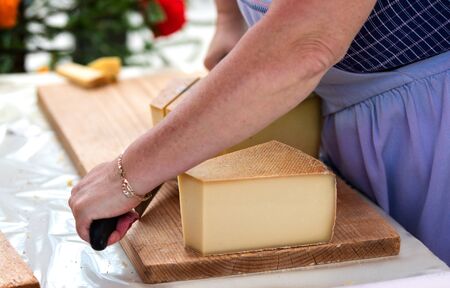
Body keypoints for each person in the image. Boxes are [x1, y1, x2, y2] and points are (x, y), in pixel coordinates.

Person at [69, 0, 450, 265]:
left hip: (433, 126)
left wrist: (128, 173)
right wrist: (230, 18)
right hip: (355, 118)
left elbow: (306, 44)